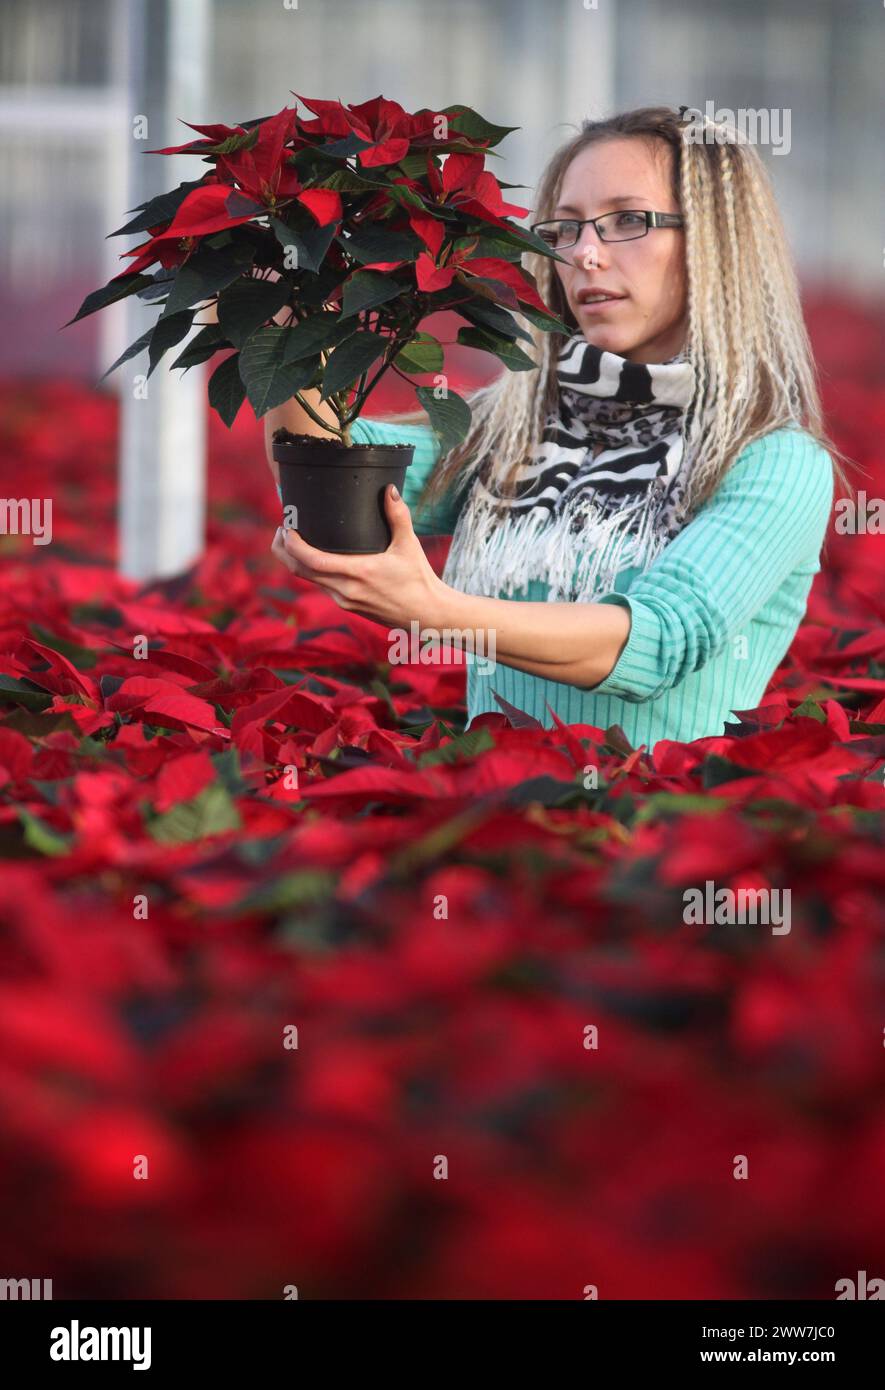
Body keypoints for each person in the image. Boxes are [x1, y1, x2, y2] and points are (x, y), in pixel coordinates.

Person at [267, 105, 848, 749]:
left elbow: (656, 643)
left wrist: (432, 612)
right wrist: (290, 311)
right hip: (496, 814)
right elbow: (331, 472)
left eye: (629, 221)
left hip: (651, 824)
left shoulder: (773, 459)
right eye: (566, 230)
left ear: (717, 243)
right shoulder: (511, 426)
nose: (586, 256)